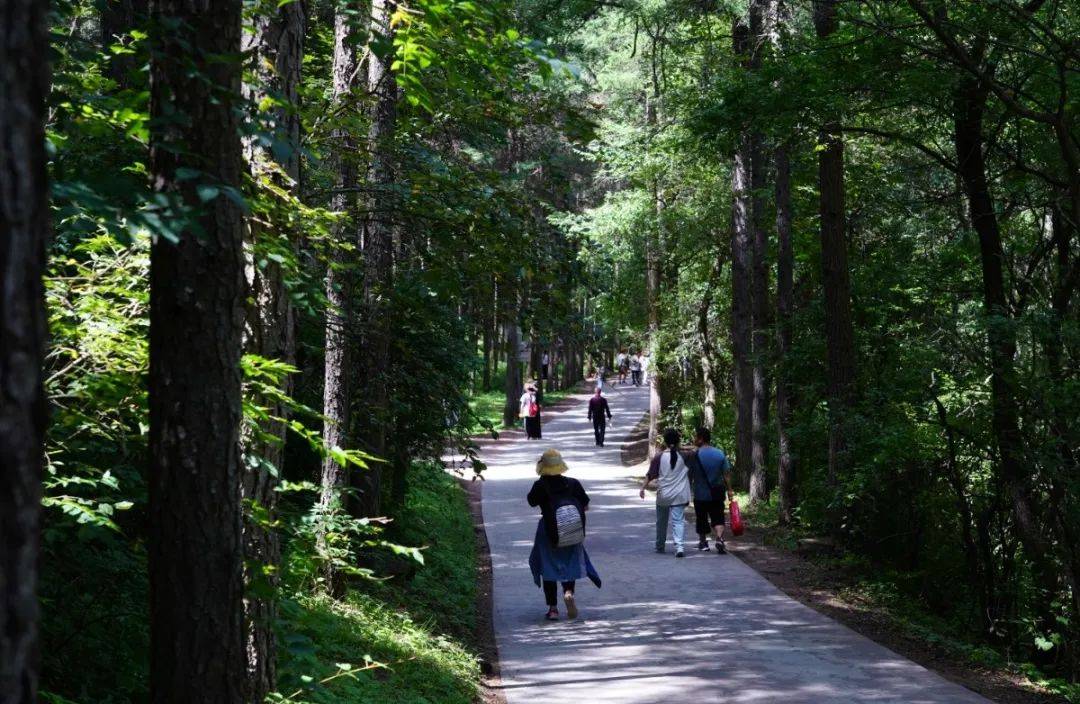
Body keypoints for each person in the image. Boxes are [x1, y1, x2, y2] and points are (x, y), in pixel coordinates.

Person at [528, 449, 601, 620]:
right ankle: (568, 592)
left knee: (548, 567)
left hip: (548, 531)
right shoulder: (573, 484)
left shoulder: (540, 486)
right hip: (572, 531)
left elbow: (531, 502)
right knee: (570, 565)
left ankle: (553, 609)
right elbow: (585, 505)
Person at [639, 428, 691, 557]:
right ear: (678, 441)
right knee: (678, 521)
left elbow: (650, 474)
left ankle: (660, 545)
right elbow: (696, 449)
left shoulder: (659, 456)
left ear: (665, 441)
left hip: (664, 495)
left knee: (661, 521)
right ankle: (679, 547)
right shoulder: (685, 456)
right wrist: (683, 446)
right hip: (679, 495)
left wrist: (642, 488)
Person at [687, 427, 734, 553]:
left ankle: (703, 543)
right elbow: (726, 474)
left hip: (700, 494)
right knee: (718, 517)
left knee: (701, 518)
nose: (694, 439)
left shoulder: (694, 455)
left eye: (696, 437)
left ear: (701, 439)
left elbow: (689, 475)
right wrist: (730, 490)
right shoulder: (719, 453)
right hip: (717, 493)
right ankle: (719, 538)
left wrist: (687, 490)